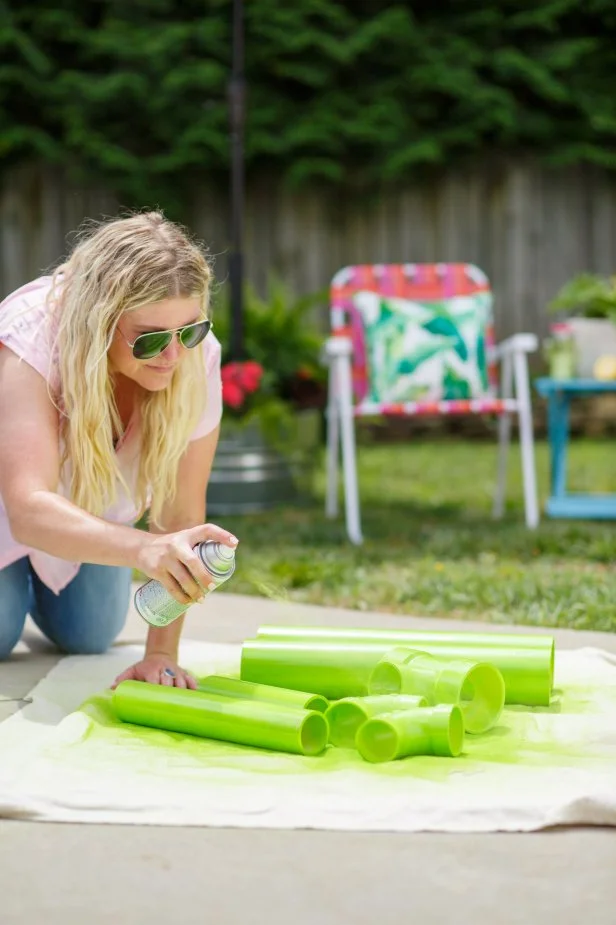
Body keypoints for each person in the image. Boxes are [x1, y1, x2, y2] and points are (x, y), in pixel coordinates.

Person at [0, 211, 238, 689]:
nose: (174, 356)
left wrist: (161, 655)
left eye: (189, 330)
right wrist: (146, 549)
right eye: (150, 339)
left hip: (87, 510)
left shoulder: (196, 355)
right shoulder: (31, 336)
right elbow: (26, 509)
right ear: (98, 324)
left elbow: (181, 513)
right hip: (10, 507)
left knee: (90, 633)